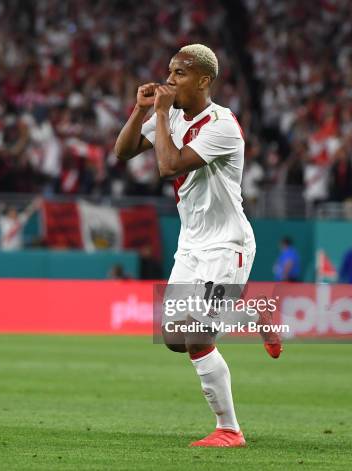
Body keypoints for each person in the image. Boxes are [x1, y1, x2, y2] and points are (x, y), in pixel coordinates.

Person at [114, 44, 281, 448]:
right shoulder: (168, 113)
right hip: (190, 245)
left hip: (227, 243)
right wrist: (140, 109)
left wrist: (159, 115)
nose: (170, 79)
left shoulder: (221, 124)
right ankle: (257, 309)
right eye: (170, 70)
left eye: (181, 73)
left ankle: (229, 430)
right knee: (174, 336)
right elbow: (122, 153)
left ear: (204, 80)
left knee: (198, 336)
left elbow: (167, 166)